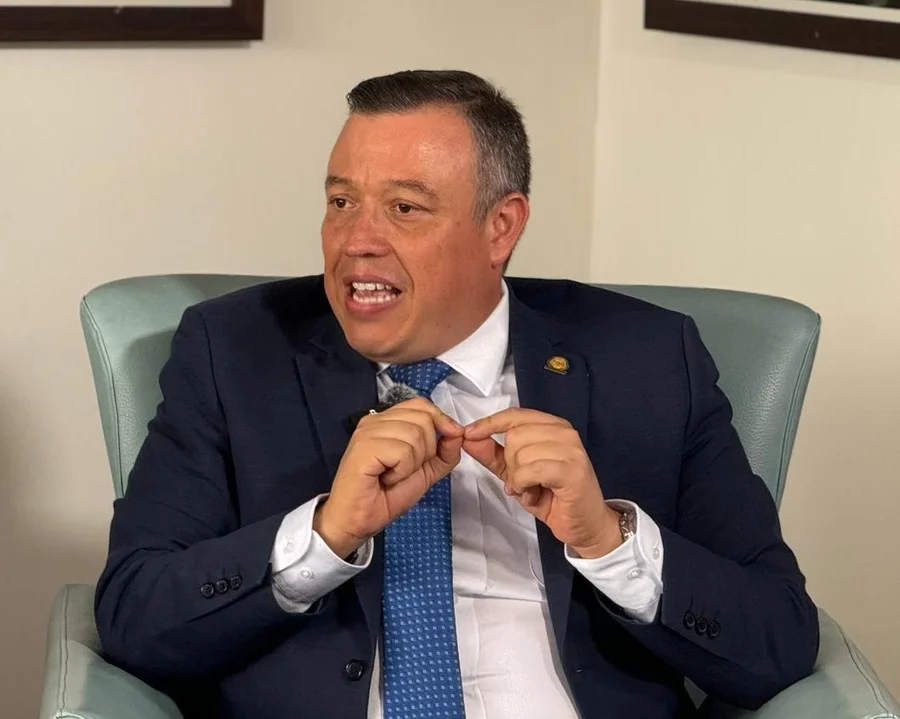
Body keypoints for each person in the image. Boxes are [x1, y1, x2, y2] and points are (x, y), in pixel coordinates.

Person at [95, 70, 819, 719]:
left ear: (500, 227)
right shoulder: (233, 352)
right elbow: (134, 618)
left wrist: (608, 541)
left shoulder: (650, 358)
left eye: (404, 208)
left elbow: (779, 642)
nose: (356, 241)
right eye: (341, 201)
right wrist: (323, 535)